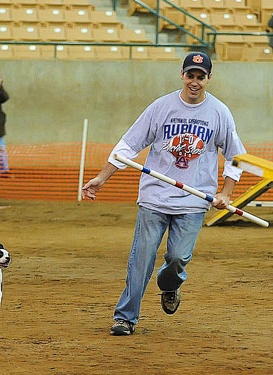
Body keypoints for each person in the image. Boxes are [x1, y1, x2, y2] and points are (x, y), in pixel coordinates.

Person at [82, 52, 246, 336]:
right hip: (154, 197)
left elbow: (235, 156)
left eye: (201, 77)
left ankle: (170, 285)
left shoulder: (219, 112)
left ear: (209, 78)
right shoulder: (160, 108)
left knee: (179, 257)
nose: (195, 82)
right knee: (141, 260)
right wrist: (101, 177)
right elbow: (128, 146)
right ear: (182, 74)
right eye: (190, 75)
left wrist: (226, 193)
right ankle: (125, 317)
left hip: (194, 200)